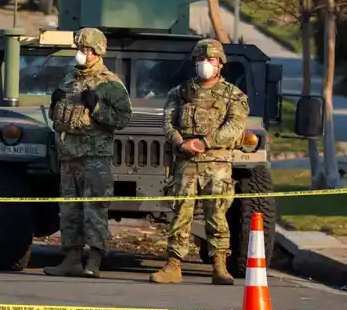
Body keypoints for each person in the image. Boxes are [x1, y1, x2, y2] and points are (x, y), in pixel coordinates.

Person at [150, 38, 249, 285]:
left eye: (211, 60)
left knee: (216, 215)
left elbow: (235, 128)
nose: (205, 64)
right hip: (186, 163)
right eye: (201, 60)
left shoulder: (233, 96)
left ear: (220, 64)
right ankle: (173, 265)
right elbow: (168, 122)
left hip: (216, 164)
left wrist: (204, 142)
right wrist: (180, 143)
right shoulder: (180, 92)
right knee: (180, 214)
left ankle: (219, 266)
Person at [44, 27, 132, 279]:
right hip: (68, 156)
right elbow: (59, 117)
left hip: (94, 157)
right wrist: (55, 102)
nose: (80, 54)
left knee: (94, 209)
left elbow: (123, 118)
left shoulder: (110, 83)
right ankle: (71, 258)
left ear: (96, 52)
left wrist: (98, 107)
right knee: (70, 209)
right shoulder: (70, 79)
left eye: (85, 50)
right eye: (79, 49)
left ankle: (94, 259)